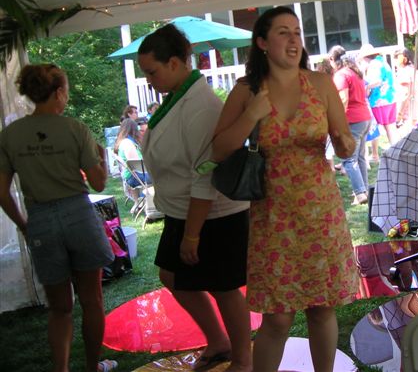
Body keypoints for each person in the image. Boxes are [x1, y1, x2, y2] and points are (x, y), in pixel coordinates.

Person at [212, 7, 360, 372]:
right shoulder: (247, 90)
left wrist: (345, 144)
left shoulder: (320, 84)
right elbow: (218, 150)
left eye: (296, 32)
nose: (294, 40)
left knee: (321, 308)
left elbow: (344, 140)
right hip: (274, 217)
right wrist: (251, 115)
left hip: (321, 214)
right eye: (283, 32)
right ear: (262, 42)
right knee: (277, 318)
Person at [137, 24, 252, 372]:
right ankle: (219, 342)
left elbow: (205, 175)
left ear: (174, 63)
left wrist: (192, 234)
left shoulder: (200, 106)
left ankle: (243, 361)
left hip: (213, 214)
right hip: (184, 211)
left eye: (151, 72)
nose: (148, 80)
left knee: (224, 288)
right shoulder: (177, 99)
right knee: (172, 277)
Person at [0, 64, 118, 372]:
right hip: (78, 215)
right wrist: (103, 160)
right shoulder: (75, 128)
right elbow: (98, 183)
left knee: (60, 308)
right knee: (92, 300)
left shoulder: (10, 135)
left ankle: (61, 369)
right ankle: (93, 367)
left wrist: (24, 225)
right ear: (58, 93)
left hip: (40, 220)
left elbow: (2, 191)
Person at [329, 45, 372, 205]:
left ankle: (360, 193)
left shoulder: (341, 75)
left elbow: (343, 99)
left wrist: (338, 120)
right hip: (365, 118)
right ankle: (364, 190)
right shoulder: (355, 71)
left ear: (332, 59)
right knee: (360, 157)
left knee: (348, 158)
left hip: (353, 120)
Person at [358, 44, 398, 148]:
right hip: (390, 98)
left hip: (379, 101)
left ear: (365, 57)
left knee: (377, 127)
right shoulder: (383, 62)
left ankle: (380, 152)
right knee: (390, 127)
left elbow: (377, 81)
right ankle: (396, 149)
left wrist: (366, 87)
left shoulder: (374, 64)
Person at [394, 48, 418, 137]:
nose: (395, 61)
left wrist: (399, 114)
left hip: (408, 115)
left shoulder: (404, 72)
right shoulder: (414, 71)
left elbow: (405, 95)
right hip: (416, 113)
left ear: (403, 58)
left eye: (396, 58)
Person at [113, 118, 151, 188]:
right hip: (135, 177)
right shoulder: (127, 143)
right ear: (134, 130)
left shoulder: (127, 141)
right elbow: (137, 166)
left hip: (137, 175)